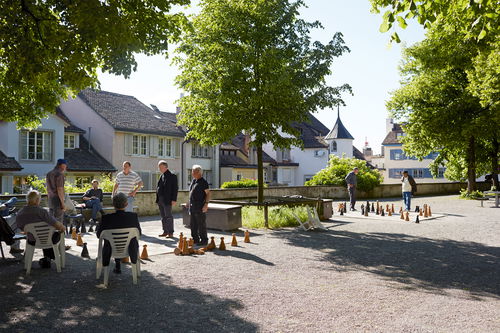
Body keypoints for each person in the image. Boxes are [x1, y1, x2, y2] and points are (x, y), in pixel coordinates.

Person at [16, 190, 65, 268]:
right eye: (39, 199)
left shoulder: (20, 213)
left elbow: (21, 228)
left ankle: (47, 258)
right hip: (48, 240)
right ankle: (56, 260)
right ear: (36, 200)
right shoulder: (42, 211)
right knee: (57, 232)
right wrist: (62, 228)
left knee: (42, 233)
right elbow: (57, 225)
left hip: (32, 240)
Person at [97, 192, 141, 274]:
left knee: (112, 240)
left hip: (110, 250)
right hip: (129, 249)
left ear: (113, 204)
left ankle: (116, 265)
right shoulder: (133, 217)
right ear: (126, 204)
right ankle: (135, 273)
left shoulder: (106, 218)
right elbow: (139, 234)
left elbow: (98, 235)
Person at [188, 165, 210, 245]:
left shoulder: (203, 182)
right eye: (192, 171)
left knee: (201, 224)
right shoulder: (194, 181)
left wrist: (206, 204)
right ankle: (195, 239)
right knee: (193, 225)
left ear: (199, 173)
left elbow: (208, 194)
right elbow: (191, 193)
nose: (192, 173)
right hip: (192, 206)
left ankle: (204, 240)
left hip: (200, 206)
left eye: (194, 171)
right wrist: (188, 202)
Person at [156, 160, 178, 238]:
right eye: (159, 167)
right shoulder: (161, 176)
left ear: (165, 167)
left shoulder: (172, 176)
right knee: (163, 216)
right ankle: (165, 231)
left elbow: (175, 189)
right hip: (160, 199)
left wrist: (174, 199)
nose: (159, 168)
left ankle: (170, 232)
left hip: (168, 199)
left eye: (160, 167)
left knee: (168, 216)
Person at [46, 159, 67, 223]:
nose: (66, 167)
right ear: (62, 165)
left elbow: (48, 188)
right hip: (57, 200)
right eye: (65, 165)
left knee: (51, 221)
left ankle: (51, 233)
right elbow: (60, 189)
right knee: (58, 223)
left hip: (50, 199)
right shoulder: (59, 174)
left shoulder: (49, 174)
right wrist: (63, 203)